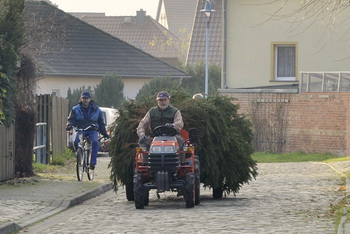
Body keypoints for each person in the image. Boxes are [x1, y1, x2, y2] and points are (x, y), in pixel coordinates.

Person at [66, 91, 109, 170]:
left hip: (93, 129)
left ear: (90, 99)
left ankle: (92, 163)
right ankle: (80, 156)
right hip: (81, 129)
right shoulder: (75, 109)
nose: (85, 100)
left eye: (87, 98)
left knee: (95, 142)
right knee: (76, 142)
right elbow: (71, 119)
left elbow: (101, 123)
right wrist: (69, 125)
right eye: (83, 98)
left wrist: (104, 133)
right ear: (81, 99)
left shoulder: (97, 110)